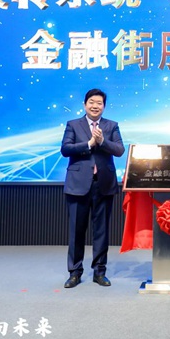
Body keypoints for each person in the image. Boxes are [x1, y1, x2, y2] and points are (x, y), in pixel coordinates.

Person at [60, 88, 125, 288]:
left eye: (99, 103)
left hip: (103, 184)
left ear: (104, 106)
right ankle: (74, 272)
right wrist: (89, 143)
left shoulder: (111, 126)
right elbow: (65, 149)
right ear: (85, 104)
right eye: (92, 102)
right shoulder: (73, 125)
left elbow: (120, 150)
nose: (95, 106)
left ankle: (99, 272)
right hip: (78, 185)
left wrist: (103, 141)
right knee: (76, 231)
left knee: (101, 231)